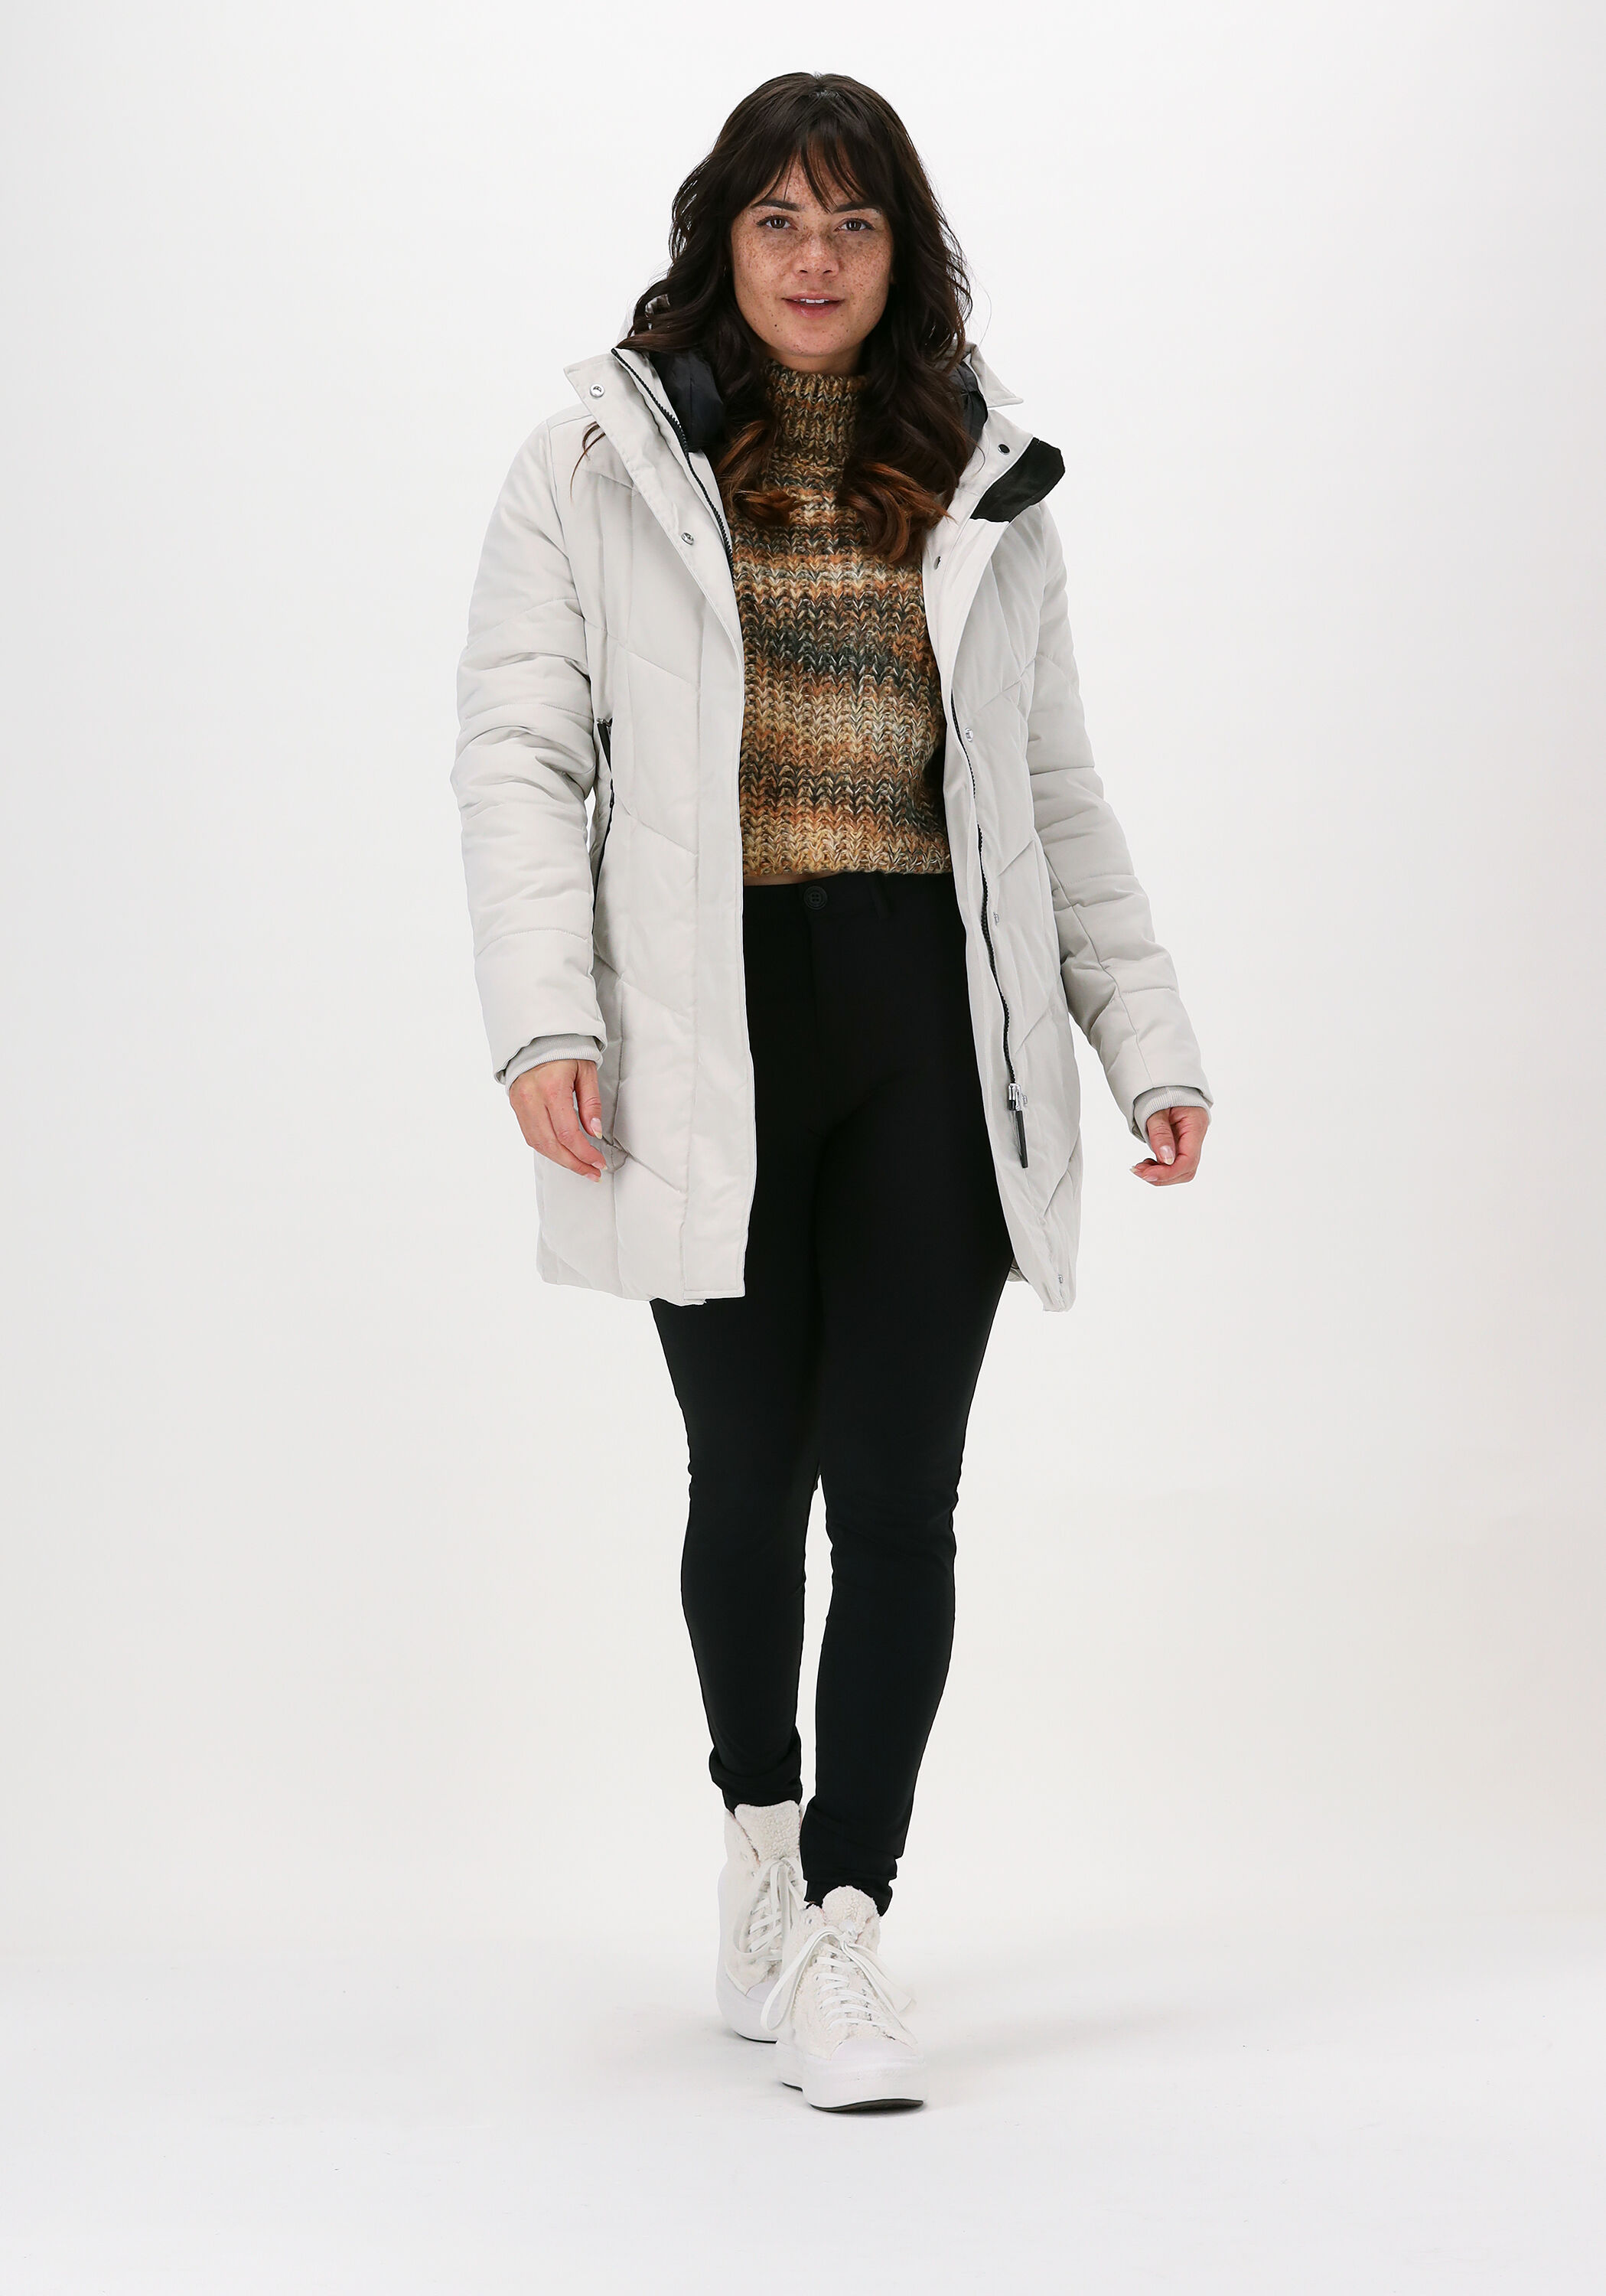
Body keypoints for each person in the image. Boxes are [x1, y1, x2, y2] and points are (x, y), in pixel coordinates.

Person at [452, 72, 1212, 2113]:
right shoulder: (592, 467)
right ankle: (762, 1841)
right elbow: (520, 755)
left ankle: (854, 1927)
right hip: (706, 1024)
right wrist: (546, 1021)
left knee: (895, 1494)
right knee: (746, 1476)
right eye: (779, 220)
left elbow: (1052, 792)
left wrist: (1141, 1032)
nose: (815, 258)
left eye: (855, 224)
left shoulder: (983, 480)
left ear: (902, 255)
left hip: (930, 1026)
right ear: (721, 239)